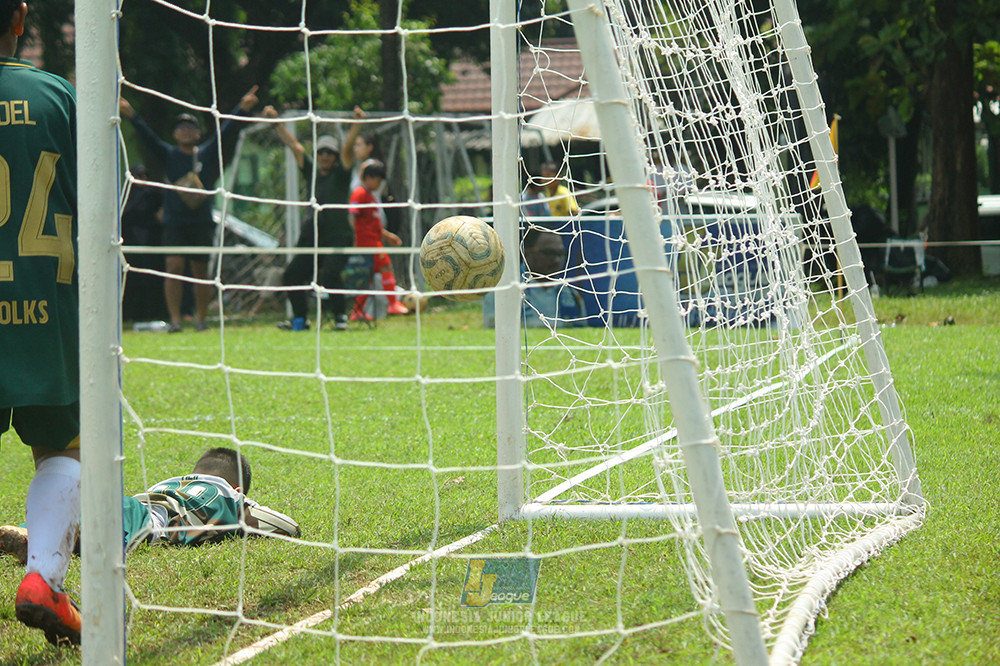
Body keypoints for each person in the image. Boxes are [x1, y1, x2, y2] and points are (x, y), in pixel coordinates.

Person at [1, 0, 83, 645]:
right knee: (63, 446)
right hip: (42, 300)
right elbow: (104, 206)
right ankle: (44, 579)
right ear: (21, 19)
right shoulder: (56, 96)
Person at [0, 448, 300, 563]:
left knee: (66, 518)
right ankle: (35, 540)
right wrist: (243, 507)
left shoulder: (168, 483)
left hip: (127, 503)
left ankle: (20, 533)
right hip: (143, 521)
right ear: (237, 487)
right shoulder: (230, 497)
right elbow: (289, 527)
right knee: (99, 537)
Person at [119, 87, 259, 333]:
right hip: (174, 222)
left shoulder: (206, 153)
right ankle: (175, 320)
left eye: (190, 127)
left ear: (198, 132)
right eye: (181, 127)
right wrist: (131, 115)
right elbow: (148, 137)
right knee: (173, 268)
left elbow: (225, 133)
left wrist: (242, 109)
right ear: (174, 134)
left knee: (200, 271)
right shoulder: (169, 155)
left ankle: (201, 319)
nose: (186, 131)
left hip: (200, 222)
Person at [264, 105, 365, 331]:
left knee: (330, 275)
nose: (325, 156)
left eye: (329, 153)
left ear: (336, 157)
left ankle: (340, 317)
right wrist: (276, 124)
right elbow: (295, 147)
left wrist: (356, 125)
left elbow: (348, 149)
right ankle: (300, 320)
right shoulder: (311, 173)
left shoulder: (341, 175)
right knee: (291, 275)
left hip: (339, 237)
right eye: (321, 152)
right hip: (313, 236)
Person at [483, 228, 583, 329]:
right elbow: (493, 330)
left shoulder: (572, 295)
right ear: (527, 253)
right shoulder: (504, 291)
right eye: (549, 252)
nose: (557, 260)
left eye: (560, 253)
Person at [349, 159, 408, 319]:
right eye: (378, 180)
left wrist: (388, 236)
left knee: (366, 277)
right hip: (367, 243)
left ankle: (357, 311)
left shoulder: (370, 196)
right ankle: (393, 304)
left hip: (373, 240)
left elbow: (374, 224)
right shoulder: (360, 193)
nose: (379, 184)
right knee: (386, 267)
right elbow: (353, 215)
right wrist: (355, 237)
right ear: (369, 177)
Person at [121, 164, 167, 322]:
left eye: (145, 176)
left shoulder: (154, 196)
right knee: (131, 281)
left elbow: (161, 217)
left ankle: (153, 313)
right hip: (130, 245)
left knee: (153, 279)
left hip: (151, 244)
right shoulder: (122, 197)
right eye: (139, 176)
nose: (143, 180)